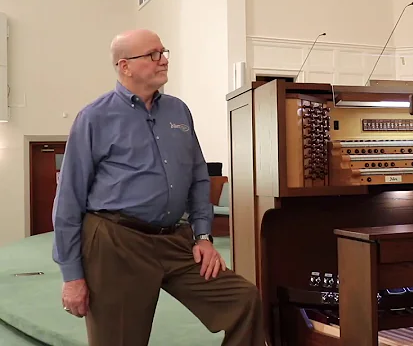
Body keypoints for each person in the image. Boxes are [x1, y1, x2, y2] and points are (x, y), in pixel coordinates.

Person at [51, 29, 266, 346]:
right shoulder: (95, 117)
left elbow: (197, 176)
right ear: (125, 66)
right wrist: (72, 275)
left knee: (243, 300)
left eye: (163, 52)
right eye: (153, 54)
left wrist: (203, 237)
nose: (163, 60)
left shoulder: (178, 111)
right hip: (116, 243)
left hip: (173, 240)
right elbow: (68, 199)